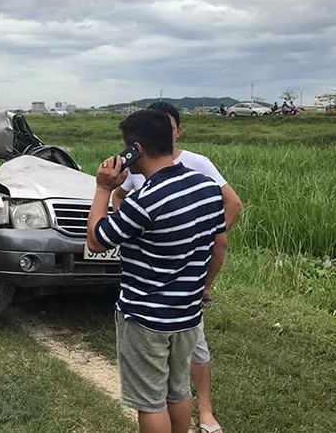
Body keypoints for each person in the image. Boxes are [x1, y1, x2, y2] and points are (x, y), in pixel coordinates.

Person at [87, 109, 228, 433]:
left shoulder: (145, 200)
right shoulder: (206, 187)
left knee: (150, 402)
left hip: (146, 319)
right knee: (178, 391)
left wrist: (103, 189)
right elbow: (218, 243)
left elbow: (96, 241)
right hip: (188, 316)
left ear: (135, 149)